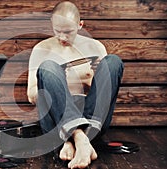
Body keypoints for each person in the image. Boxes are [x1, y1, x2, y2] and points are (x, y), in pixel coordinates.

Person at [27, 1, 124, 168]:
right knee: (49, 67)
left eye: (68, 32)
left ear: (80, 25)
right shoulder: (41, 49)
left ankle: (74, 139)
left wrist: (86, 81)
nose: (63, 37)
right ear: (52, 24)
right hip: (55, 121)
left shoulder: (95, 47)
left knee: (113, 62)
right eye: (58, 31)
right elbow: (32, 96)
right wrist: (55, 84)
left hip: (91, 120)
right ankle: (81, 139)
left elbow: (101, 94)